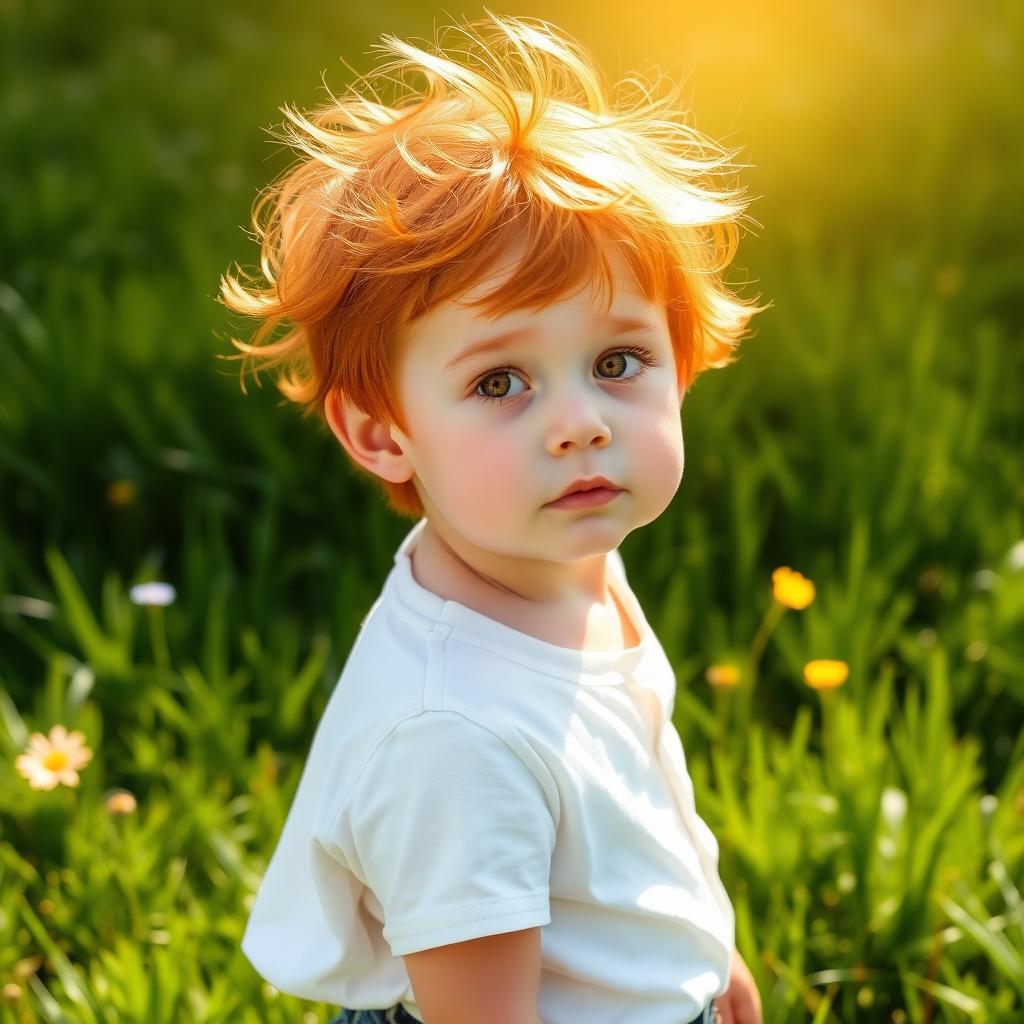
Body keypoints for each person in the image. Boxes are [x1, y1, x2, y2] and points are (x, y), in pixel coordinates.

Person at [218, 12, 768, 1024]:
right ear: (384, 433)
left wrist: (702, 957)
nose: (579, 425)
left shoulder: (557, 559)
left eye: (616, 362)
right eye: (501, 380)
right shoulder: (451, 734)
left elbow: (637, 790)